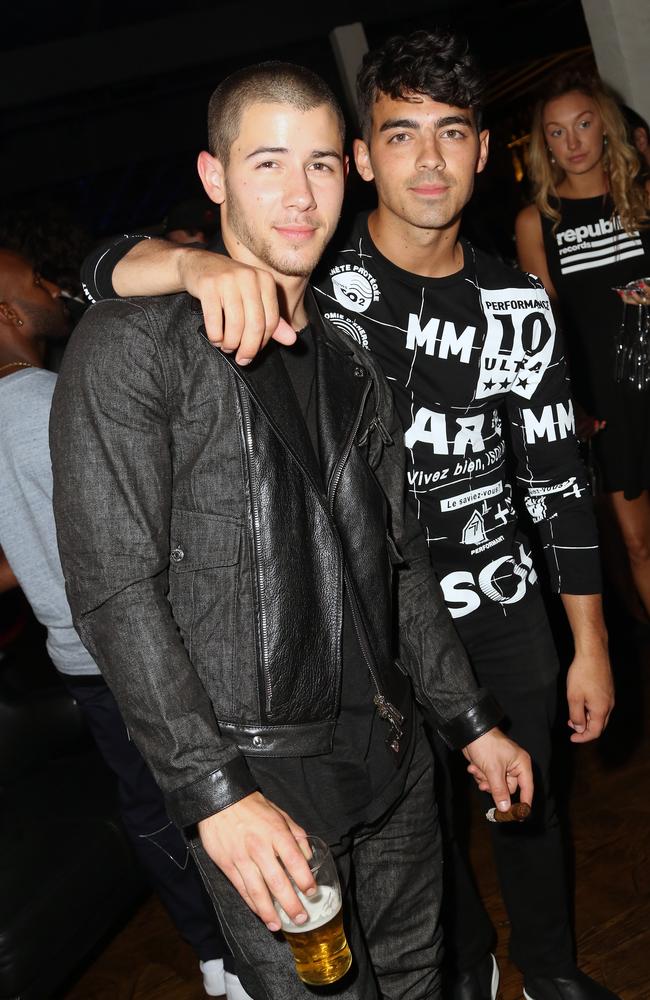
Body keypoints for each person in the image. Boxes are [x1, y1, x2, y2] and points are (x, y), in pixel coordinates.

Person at [80, 32, 619, 1000]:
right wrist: (212, 792)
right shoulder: (186, 330)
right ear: (215, 176)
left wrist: (485, 706)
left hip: (419, 700)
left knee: (438, 932)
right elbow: (116, 591)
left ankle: (528, 970)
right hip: (269, 756)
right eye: (267, 163)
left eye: (316, 164)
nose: (299, 193)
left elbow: (439, 535)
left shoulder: (361, 346)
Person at [0, 248, 248, 1000]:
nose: (54, 287)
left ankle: (214, 958)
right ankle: (257, 946)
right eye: (37, 282)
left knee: (149, 807)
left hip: (77, 659)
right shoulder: (65, 396)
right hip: (150, 642)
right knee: (221, 787)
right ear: (8, 316)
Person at [516, 71, 650, 624]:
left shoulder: (642, 198)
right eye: (556, 132)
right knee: (638, 543)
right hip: (608, 406)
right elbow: (544, 333)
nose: (572, 143)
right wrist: (569, 405)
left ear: (605, 127)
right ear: (543, 143)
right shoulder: (536, 222)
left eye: (584, 124)